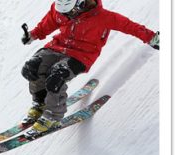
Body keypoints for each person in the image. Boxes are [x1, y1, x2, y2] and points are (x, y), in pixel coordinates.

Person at [21, 0, 158, 134]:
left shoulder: (104, 17)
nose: (67, 16)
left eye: (70, 12)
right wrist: (33, 35)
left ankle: (52, 116)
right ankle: (40, 103)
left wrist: (152, 38)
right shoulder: (61, 9)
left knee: (56, 76)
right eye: (64, 13)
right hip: (57, 47)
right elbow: (49, 22)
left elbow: (130, 26)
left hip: (81, 55)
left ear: (81, 4)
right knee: (31, 67)